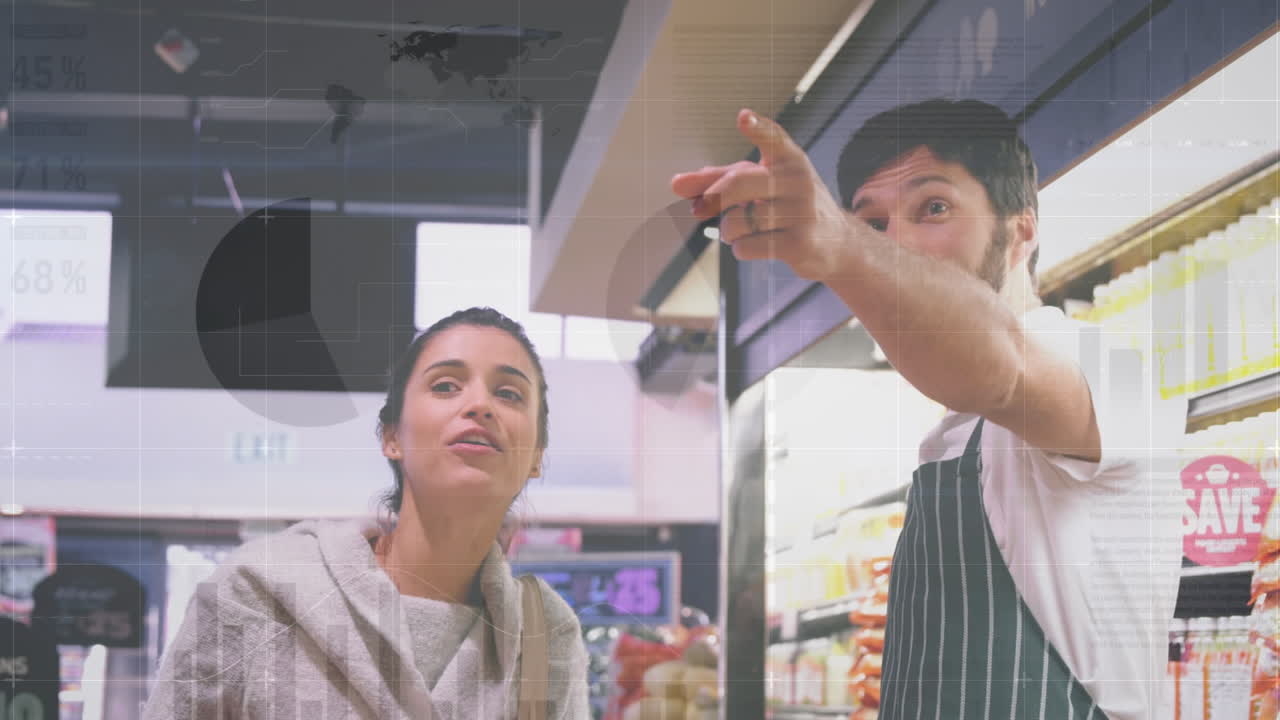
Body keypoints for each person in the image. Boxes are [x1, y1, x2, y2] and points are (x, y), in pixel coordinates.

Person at [673, 100, 1184, 720]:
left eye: (933, 208)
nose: (902, 243)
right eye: (873, 224)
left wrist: (842, 243)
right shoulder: (952, 435)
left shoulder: (1107, 370)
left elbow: (1001, 364)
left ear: (1022, 231)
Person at [143, 307, 590, 719]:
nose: (479, 405)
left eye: (509, 393)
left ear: (535, 457)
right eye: (445, 386)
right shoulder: (260, 593)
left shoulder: (544, 633)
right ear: (392, 437)